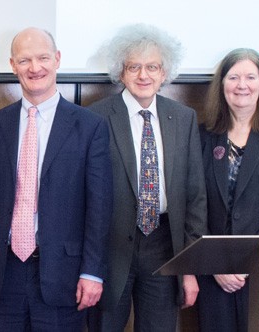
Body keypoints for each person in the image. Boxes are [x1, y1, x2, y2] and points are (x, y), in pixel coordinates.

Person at [0, 27, 113, 331]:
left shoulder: (89, 127)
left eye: (43, 57)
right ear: (12, 64)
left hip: (64, 274)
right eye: (25, 60)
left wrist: (92, 272)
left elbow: (100, 207)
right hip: (2, 272)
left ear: (57, 59)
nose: (35, 68)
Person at [86, 24, 207, 331]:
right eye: (134, 67)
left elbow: (195, 196)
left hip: (164, 248)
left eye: (152, 66)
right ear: (121, 72)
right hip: (110, 251)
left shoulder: (183, 118)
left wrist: (190, 269)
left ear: (164, 72)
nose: (144, 75)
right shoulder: (95, 118)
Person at [197, 48, 259, 332]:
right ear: (222, 85)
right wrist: (217, 265)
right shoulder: (203, 135)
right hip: (213, 273)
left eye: (250, 77)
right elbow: (195, 202)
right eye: (233, 77)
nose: (242, 85)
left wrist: (246, 263)